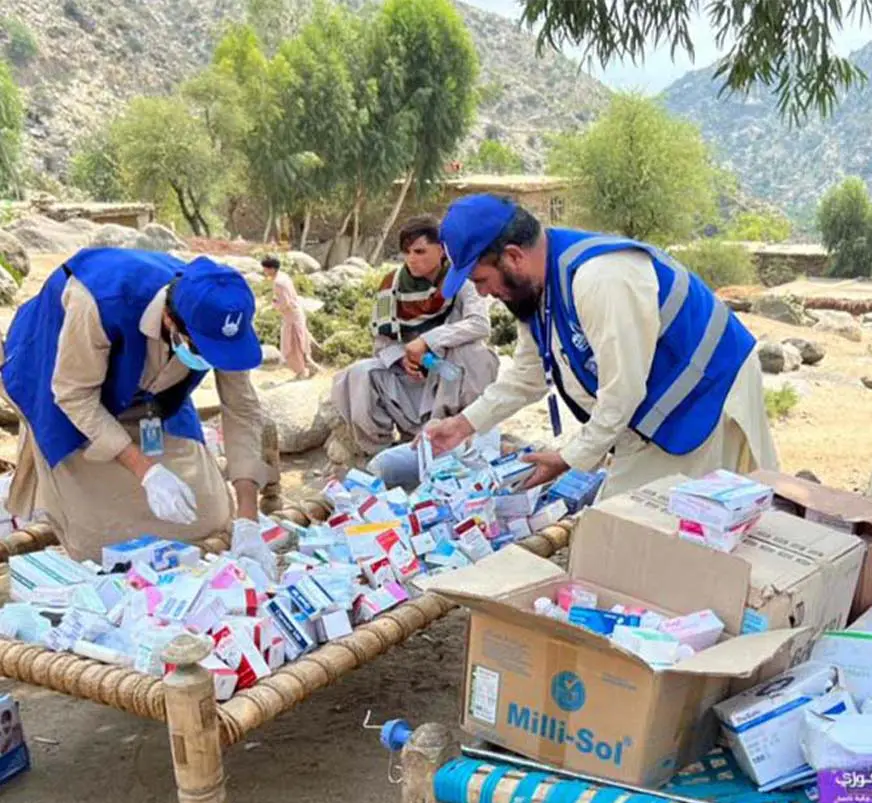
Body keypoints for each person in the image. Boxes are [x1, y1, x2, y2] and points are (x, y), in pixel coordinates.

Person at [423, 194, 779, 497]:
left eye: (481, 280)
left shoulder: (599, 279)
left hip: (706, 390)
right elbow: (528, 376)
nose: (484, 293)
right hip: (652, 404)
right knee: (630, 527)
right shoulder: (534, 291)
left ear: (513, 256)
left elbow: (622, 392)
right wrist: (463, 425)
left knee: (652, 526)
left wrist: (569, 458)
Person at [0, 248, 273, 568]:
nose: (213, 361)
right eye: (203, 350)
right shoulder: (100, 301)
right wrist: (148, 472)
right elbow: (74, 396)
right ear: (171, 320)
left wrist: (248, 521)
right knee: (101, 544)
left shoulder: (221, 318)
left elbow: (241, 409)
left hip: (154, 399)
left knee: (210, 515)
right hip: (64, 386)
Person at [330, 215, 498, 460]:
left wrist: (427, 341)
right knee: (359, 373)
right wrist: (402, 359)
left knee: (477, 354)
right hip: (411, 377)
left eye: (420, 251)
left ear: (441, 250)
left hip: (449, 372)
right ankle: (379, 451)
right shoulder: (392, 285)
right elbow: (382, 341)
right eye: (407, 252)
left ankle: (460, 432)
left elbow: (480, 325)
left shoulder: (463, 280)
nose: (412, 258)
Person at [262, 255, 318, 380]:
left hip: (291, 317)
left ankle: (302, 371)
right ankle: (309, 368)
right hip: (296, 314)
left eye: (265, 269)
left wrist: (274, 305)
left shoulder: (278, 282)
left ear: (271, 269)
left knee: (293, 345)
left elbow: (285, 303)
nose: (264, 271)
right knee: (299, 343)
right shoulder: (284, 276)